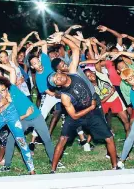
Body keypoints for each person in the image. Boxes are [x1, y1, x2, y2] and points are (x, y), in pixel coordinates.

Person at [47, 32, 120, 172]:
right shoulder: (64, 96)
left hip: (92, 112)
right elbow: (74, 116)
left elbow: (75, 49)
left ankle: (115, 167)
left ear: (60, 73)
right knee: (62, 139)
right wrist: (91, 106)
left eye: (57, 76)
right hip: (77, 115)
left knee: (109, 138)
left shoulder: (73, 71)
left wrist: (61, 38)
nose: (58, 79)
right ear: (57, 86)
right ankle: (52, 170)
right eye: (56, 81)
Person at [0, 62, 57, 172]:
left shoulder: (12, 88)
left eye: (3, 89)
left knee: (47, 139)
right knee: (11, 140)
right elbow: (12, 119)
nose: (2, 92)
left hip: (36, 116)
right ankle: (6, 165)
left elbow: (12, 70)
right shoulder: (2, 103)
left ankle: (54, 161)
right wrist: (26, 115)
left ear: (6, 87)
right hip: (23, 119)